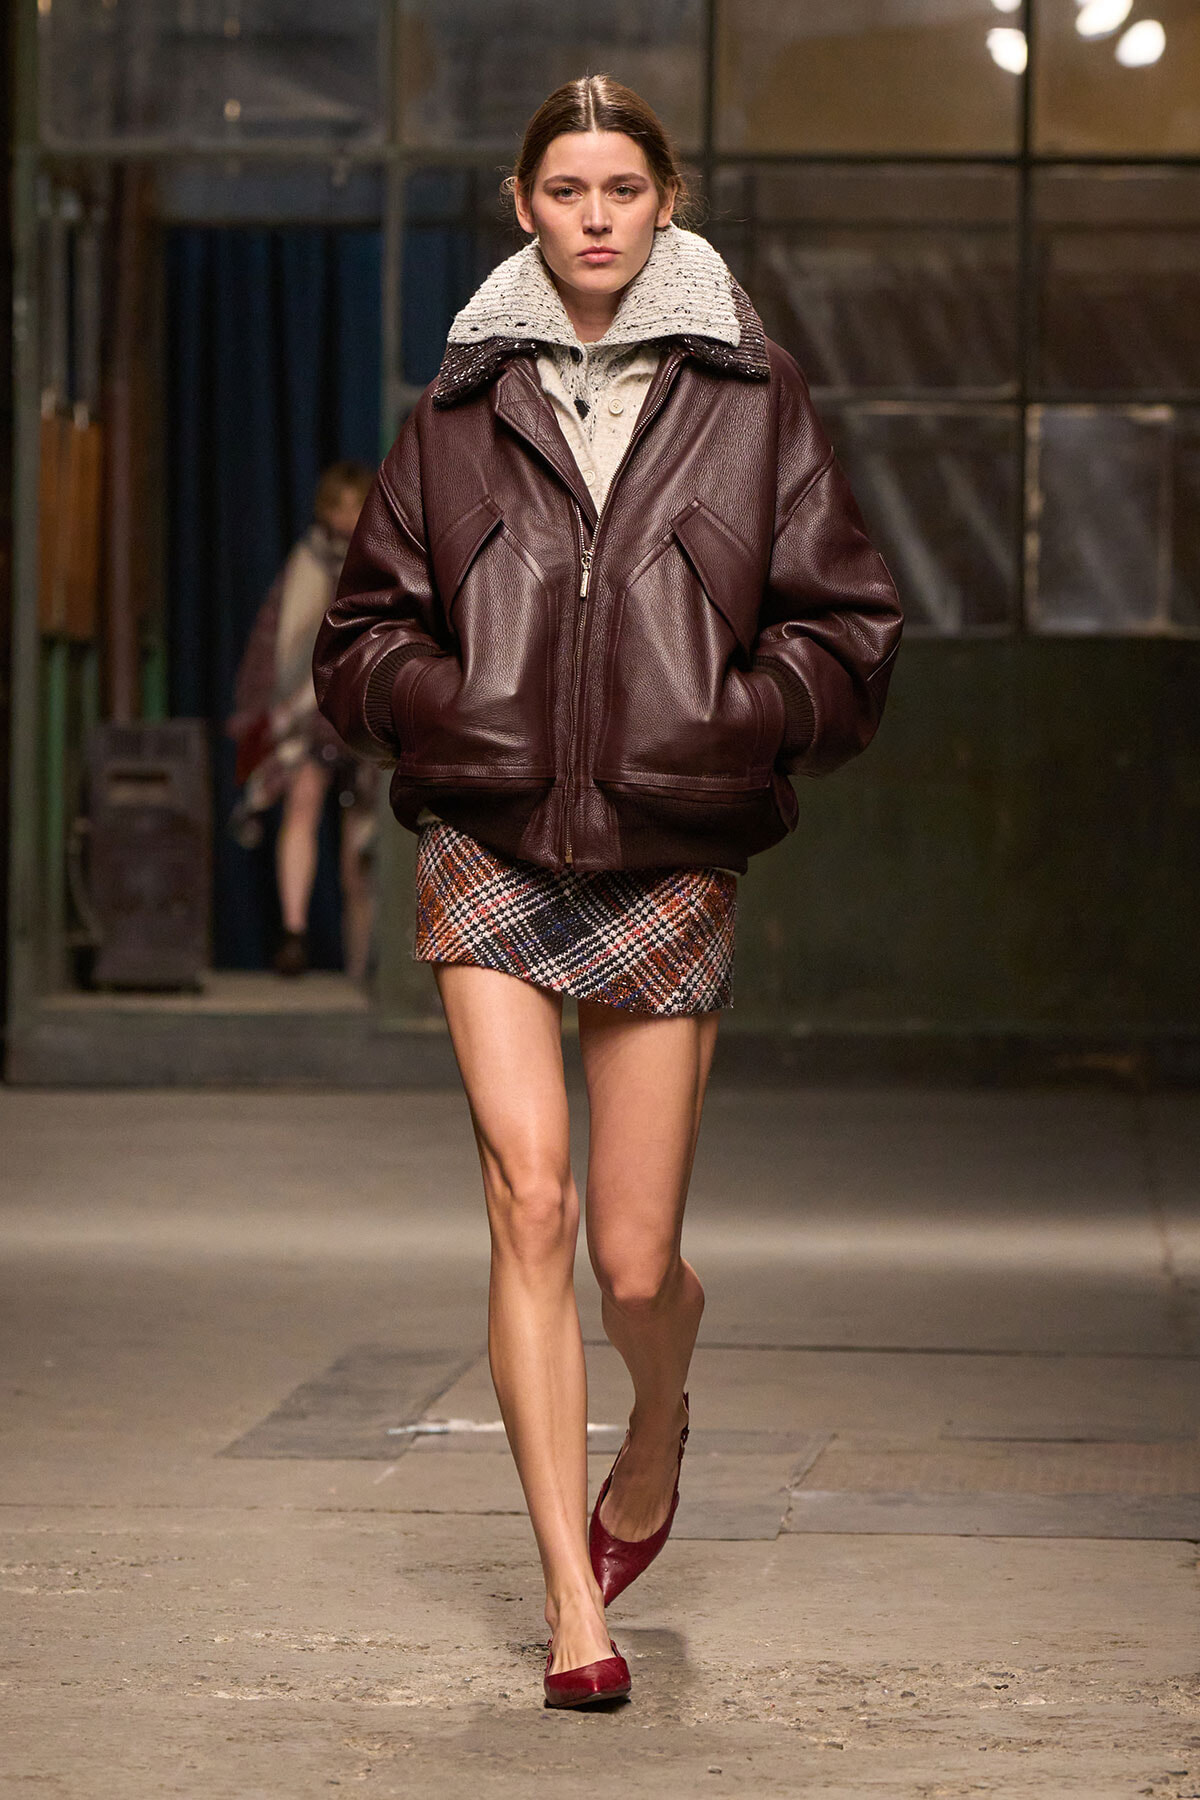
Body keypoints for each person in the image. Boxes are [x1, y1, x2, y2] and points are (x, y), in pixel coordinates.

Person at [314, 77, 902, 1707]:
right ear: (523, 205)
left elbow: (847, 628)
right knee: (532, 1202)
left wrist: (736, 720)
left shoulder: (754, 394)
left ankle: (658, 1416)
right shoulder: (451, 413)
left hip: (667, 840)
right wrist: (449, 708)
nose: (592, 211)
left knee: (635, 1264)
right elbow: (355, 644)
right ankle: (575, 1605)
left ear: (666, 202)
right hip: (488, 838)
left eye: (621, 186)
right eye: (564, 185)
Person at [228, 461, 377, 980]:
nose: (345, 516)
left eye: (353, 505)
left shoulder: (385, 556)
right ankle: (293, 932)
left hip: (364, 712)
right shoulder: (310, 559)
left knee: (364, 840)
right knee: (303, 802)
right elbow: (281, 637)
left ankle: (365, 963)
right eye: (337, 506)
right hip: (312, 712)